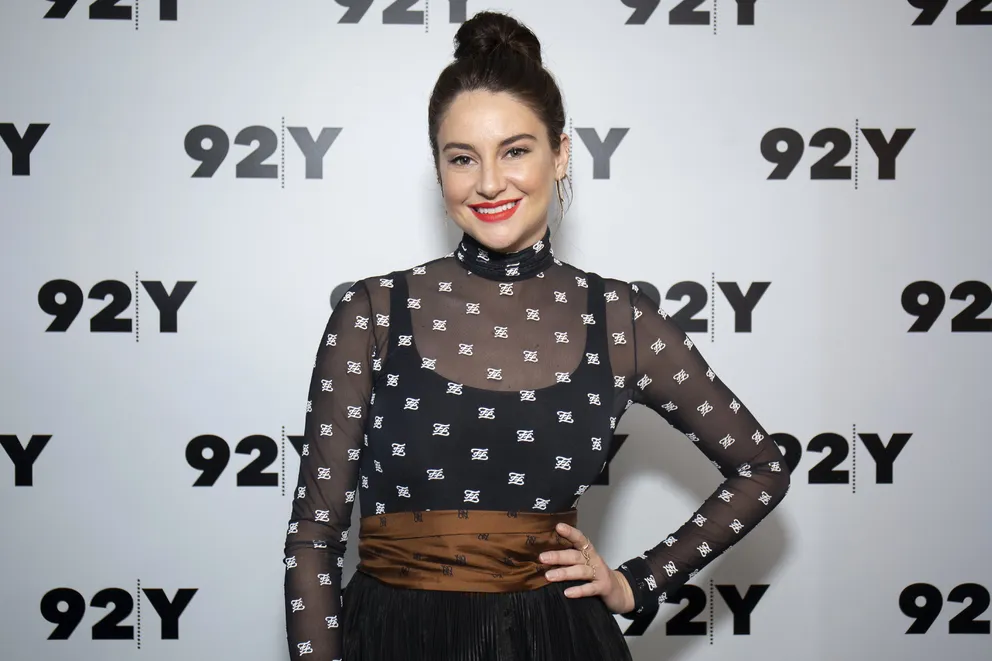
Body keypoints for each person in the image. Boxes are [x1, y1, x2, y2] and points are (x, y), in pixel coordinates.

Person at [283, 10, 791, 661]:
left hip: (559, 640)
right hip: (393, 639)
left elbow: (760, 467)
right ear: (439, 172)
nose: (490, 182)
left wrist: (639, 580)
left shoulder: (621, 319)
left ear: (560, 154)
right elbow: (314, 536)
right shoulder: (375, 312)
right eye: (462, 157)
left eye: (515, 150)